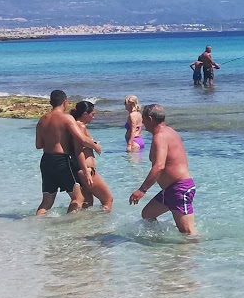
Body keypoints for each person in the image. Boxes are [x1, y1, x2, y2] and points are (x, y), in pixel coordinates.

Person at [128, 104, 197, 236]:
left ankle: (190, 255)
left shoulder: (161, 136)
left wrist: (142, 190)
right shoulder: (167, 132)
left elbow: (159, 166)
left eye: (143, 120)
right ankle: (163, 249)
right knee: (148, 214)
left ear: (150, 118)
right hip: (170, 190)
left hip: (179, 188)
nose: (142, 124)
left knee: (188, 234)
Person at [35, 90, 98, 215]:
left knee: (47, 202)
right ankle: (69, 226)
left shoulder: (42, 119)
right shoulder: (66, 118)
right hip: (61, 161)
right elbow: (81, 139)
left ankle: (36, 224)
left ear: (51, 102)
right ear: (65, 102)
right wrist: (96, 146)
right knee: (78, 198)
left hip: (46, 160)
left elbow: (38, 145)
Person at [70, 99, 112, 211]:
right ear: (85, 114)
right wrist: (86, 171)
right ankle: (104, 226)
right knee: (108, 200)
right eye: (92, 114)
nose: (93, 117)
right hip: (86, 170)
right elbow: (78, 150)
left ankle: (81, 226)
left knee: (87, 202)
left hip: (81, 169)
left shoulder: (76, 126)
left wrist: (93, 144)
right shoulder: (80, 126)